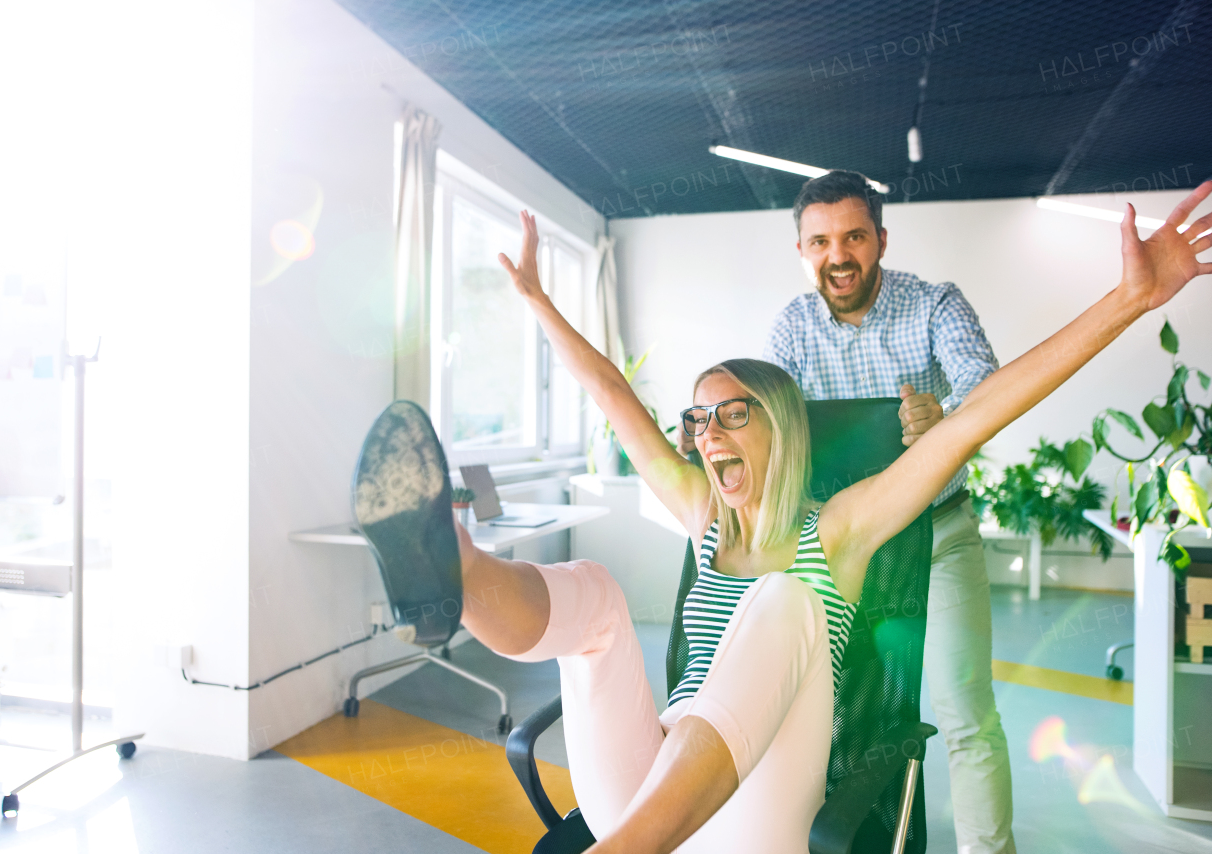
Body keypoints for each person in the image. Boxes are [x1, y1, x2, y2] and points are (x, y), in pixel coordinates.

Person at [356, 186, 1212, 854]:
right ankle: (452, 572)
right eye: (698, 420)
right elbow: (615, 396)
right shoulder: (701, 512)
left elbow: (979, 413)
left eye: (733, 415)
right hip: (651, 796)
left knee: (785, 600)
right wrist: (539, 300)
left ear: (783, 426)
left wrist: (1131, 300)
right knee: (597, 597)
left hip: (760, 815)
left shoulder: (838, 529)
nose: (706, 434)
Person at [768, 168, 1013, 853]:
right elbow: (775, 431)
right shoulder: (791, 327)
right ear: (802, 250)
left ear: (880, 238)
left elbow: (990, 391)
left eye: (853, 237)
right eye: (819, 241)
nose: (837, 255)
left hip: (939, 535)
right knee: (832, 716)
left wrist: (949, 417)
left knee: (965, 714)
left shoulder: (935, 303)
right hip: (845, 549)